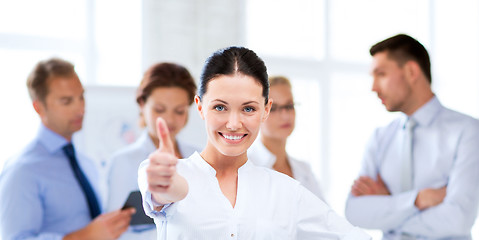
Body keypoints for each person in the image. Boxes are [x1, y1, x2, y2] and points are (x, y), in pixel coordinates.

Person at [138, 46, 371, 239]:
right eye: (220, 107)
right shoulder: (168, 173)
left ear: (265, 110)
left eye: (248, 108)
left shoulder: (286, 191)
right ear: (200, 106)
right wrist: (166, 184)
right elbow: (169, 192)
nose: (233, 123)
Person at [345, 34, 479, 239]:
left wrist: (388, 207)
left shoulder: (468, 131)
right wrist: (416, 200)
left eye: (381, 74)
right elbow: (355, 212)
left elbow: (458, 219)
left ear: (411, 71)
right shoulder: (380, 138)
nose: (373, 87)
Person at [0, 58, 135, 240]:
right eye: (66, 101)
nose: (80, 109)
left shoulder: (85, 162)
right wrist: (82, 237)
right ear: (39, 107)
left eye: (81, 97)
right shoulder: (22, 170)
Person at [106, 62, 200, 239]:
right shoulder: (123, 162)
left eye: (179, 111)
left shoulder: (200, 157)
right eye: (159, 110)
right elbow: (115, 232)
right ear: (142, 104)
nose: (169, 120)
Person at [247, 75, 324, 200]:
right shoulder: (245, 168)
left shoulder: (304, 170)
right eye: (273, 108)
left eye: (289, 106)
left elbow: (325, 217)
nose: (285, 116)